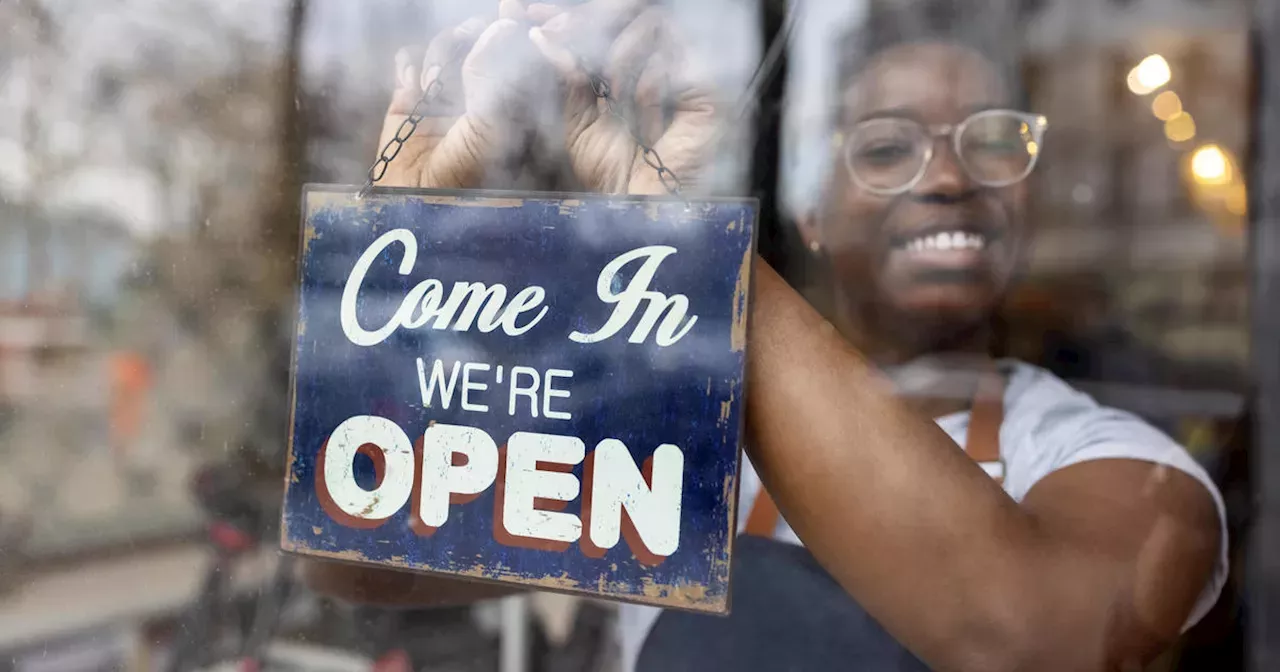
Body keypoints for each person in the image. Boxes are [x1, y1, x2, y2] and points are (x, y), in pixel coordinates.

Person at [303, 1, 1227, 669]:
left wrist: (680, 240)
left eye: (992, 143)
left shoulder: (1107, 458)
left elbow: (1033, 635)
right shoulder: (655, 420)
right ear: (812, 213)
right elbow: (356, 558)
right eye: (886, 146)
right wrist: (410, 233)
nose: (947, 177)